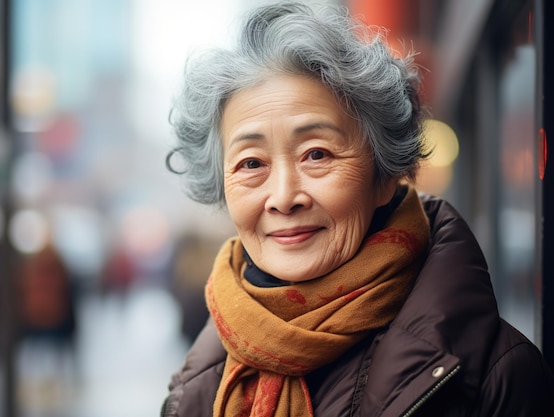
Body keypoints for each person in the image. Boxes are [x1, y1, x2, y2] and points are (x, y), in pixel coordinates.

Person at [161, 2, 554, 416]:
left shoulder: (492, 376)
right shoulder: (196, 386)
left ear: (383, 175)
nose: (283, 197)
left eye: (316, 154)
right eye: (251, 163)